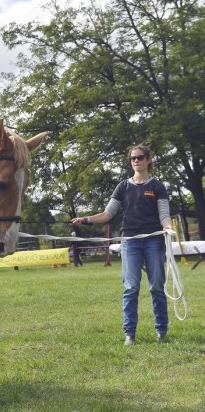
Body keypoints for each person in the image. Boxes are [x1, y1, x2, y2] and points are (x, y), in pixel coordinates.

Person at [72, 144, 171, 345]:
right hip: (130, 242)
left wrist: (168, 228)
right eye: (133, 158)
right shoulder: (123, 187)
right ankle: (129, 334)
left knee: (157, 288)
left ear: (148, 160)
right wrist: (86, 219)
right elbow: (108, 214)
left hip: (154, 240)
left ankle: (161, 331)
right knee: (131, 287)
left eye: (140, 157)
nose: (136, 160)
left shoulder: (157, 187)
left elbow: (164, 216)